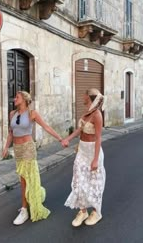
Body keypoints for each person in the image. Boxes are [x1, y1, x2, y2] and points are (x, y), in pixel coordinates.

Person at [3, 91, 63, 225]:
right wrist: (6, 147)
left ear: (24, 99)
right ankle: (34, 197)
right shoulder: (12, 114)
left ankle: (24, 210)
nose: (14, 99)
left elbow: (46, 127)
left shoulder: (32, 114)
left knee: (25, 178)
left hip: (28, 148)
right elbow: (11, 133)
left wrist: (60, 138)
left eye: (17, 97)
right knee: (23, 177)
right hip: (17, 150)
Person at [61, 88, 106, 227]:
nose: (82, 96)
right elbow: (80, 129)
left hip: (93, 151)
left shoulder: (97, 115)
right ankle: (83, 211)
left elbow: (98, 138)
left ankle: (97, 212)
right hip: (82, 150)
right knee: (79, 180)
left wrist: (95, 159)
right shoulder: (87, 114)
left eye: (84, 95)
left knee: (94, 182)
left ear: (89, 97)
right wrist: (67, 139)